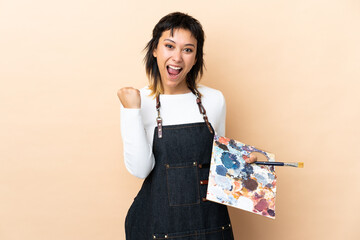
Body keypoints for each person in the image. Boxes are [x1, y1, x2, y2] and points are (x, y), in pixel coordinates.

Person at [117, 12, 257, 240]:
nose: (177, 57)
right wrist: (131, 112)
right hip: (156, 228)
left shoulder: (214, 100)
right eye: (169, 46)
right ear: (154, 50)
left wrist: (247, 165)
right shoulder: (137, 101)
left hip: (209, 226)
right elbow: (141, 170)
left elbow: (216, 166)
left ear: (195, 57)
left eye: (188, 49)